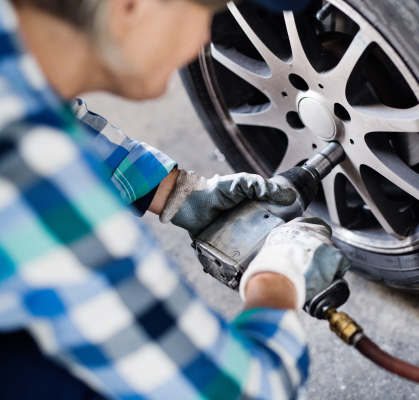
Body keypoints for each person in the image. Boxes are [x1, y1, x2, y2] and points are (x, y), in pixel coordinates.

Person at [0, 0, 350, 399]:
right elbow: (242, 391)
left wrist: (178, 192)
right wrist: (278, 279)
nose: (205, 36)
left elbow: (55, 107)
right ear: (131, 7)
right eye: (206, 10)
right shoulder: (38, 180)